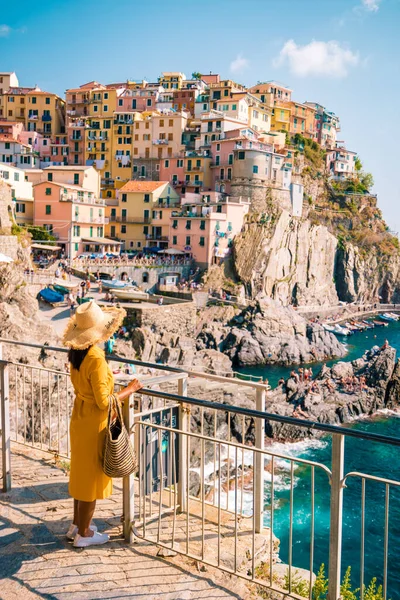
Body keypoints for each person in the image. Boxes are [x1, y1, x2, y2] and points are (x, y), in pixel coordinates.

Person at [62, 300, 143, 547]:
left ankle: (77, 525)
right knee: (90, 481)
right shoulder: (95, 357)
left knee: (81, 476)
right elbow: (104, 401)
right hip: (93, 424)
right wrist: (129, 390)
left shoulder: (77, 354)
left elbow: (89, 390)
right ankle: (84, 534)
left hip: (80, 419)